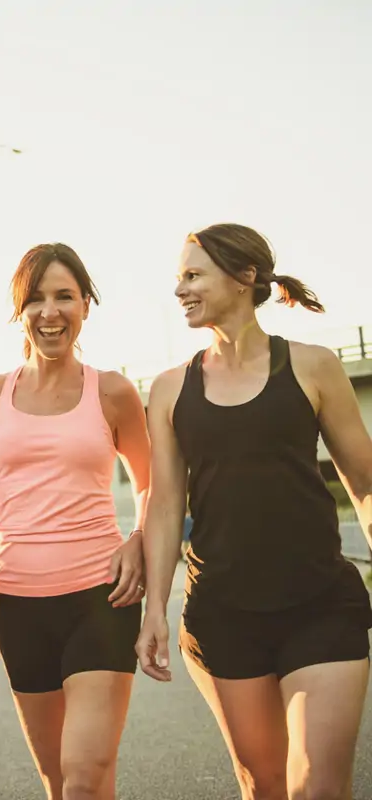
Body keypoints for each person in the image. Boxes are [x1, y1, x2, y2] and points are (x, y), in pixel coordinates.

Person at [136, 223, 372, 800]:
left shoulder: (313, 367)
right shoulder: (171, 389)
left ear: (243, 278)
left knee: (317, 784)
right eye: (179, 277)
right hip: (222, 614)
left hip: (321, 604)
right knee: (263, 784)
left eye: (193, 275)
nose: (180, 290)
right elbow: (165, 506)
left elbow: (365, 482)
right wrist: (153, 611)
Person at [0, 243, 150, 800]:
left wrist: (140, 537)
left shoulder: (113, 391)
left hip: (101, 598)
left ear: (85, 306)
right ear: (19, 311)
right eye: (36, 299)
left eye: (64, 297)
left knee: (82, 775)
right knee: (59, 780)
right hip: (18, 601)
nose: (49, 312)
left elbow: (154, 484)